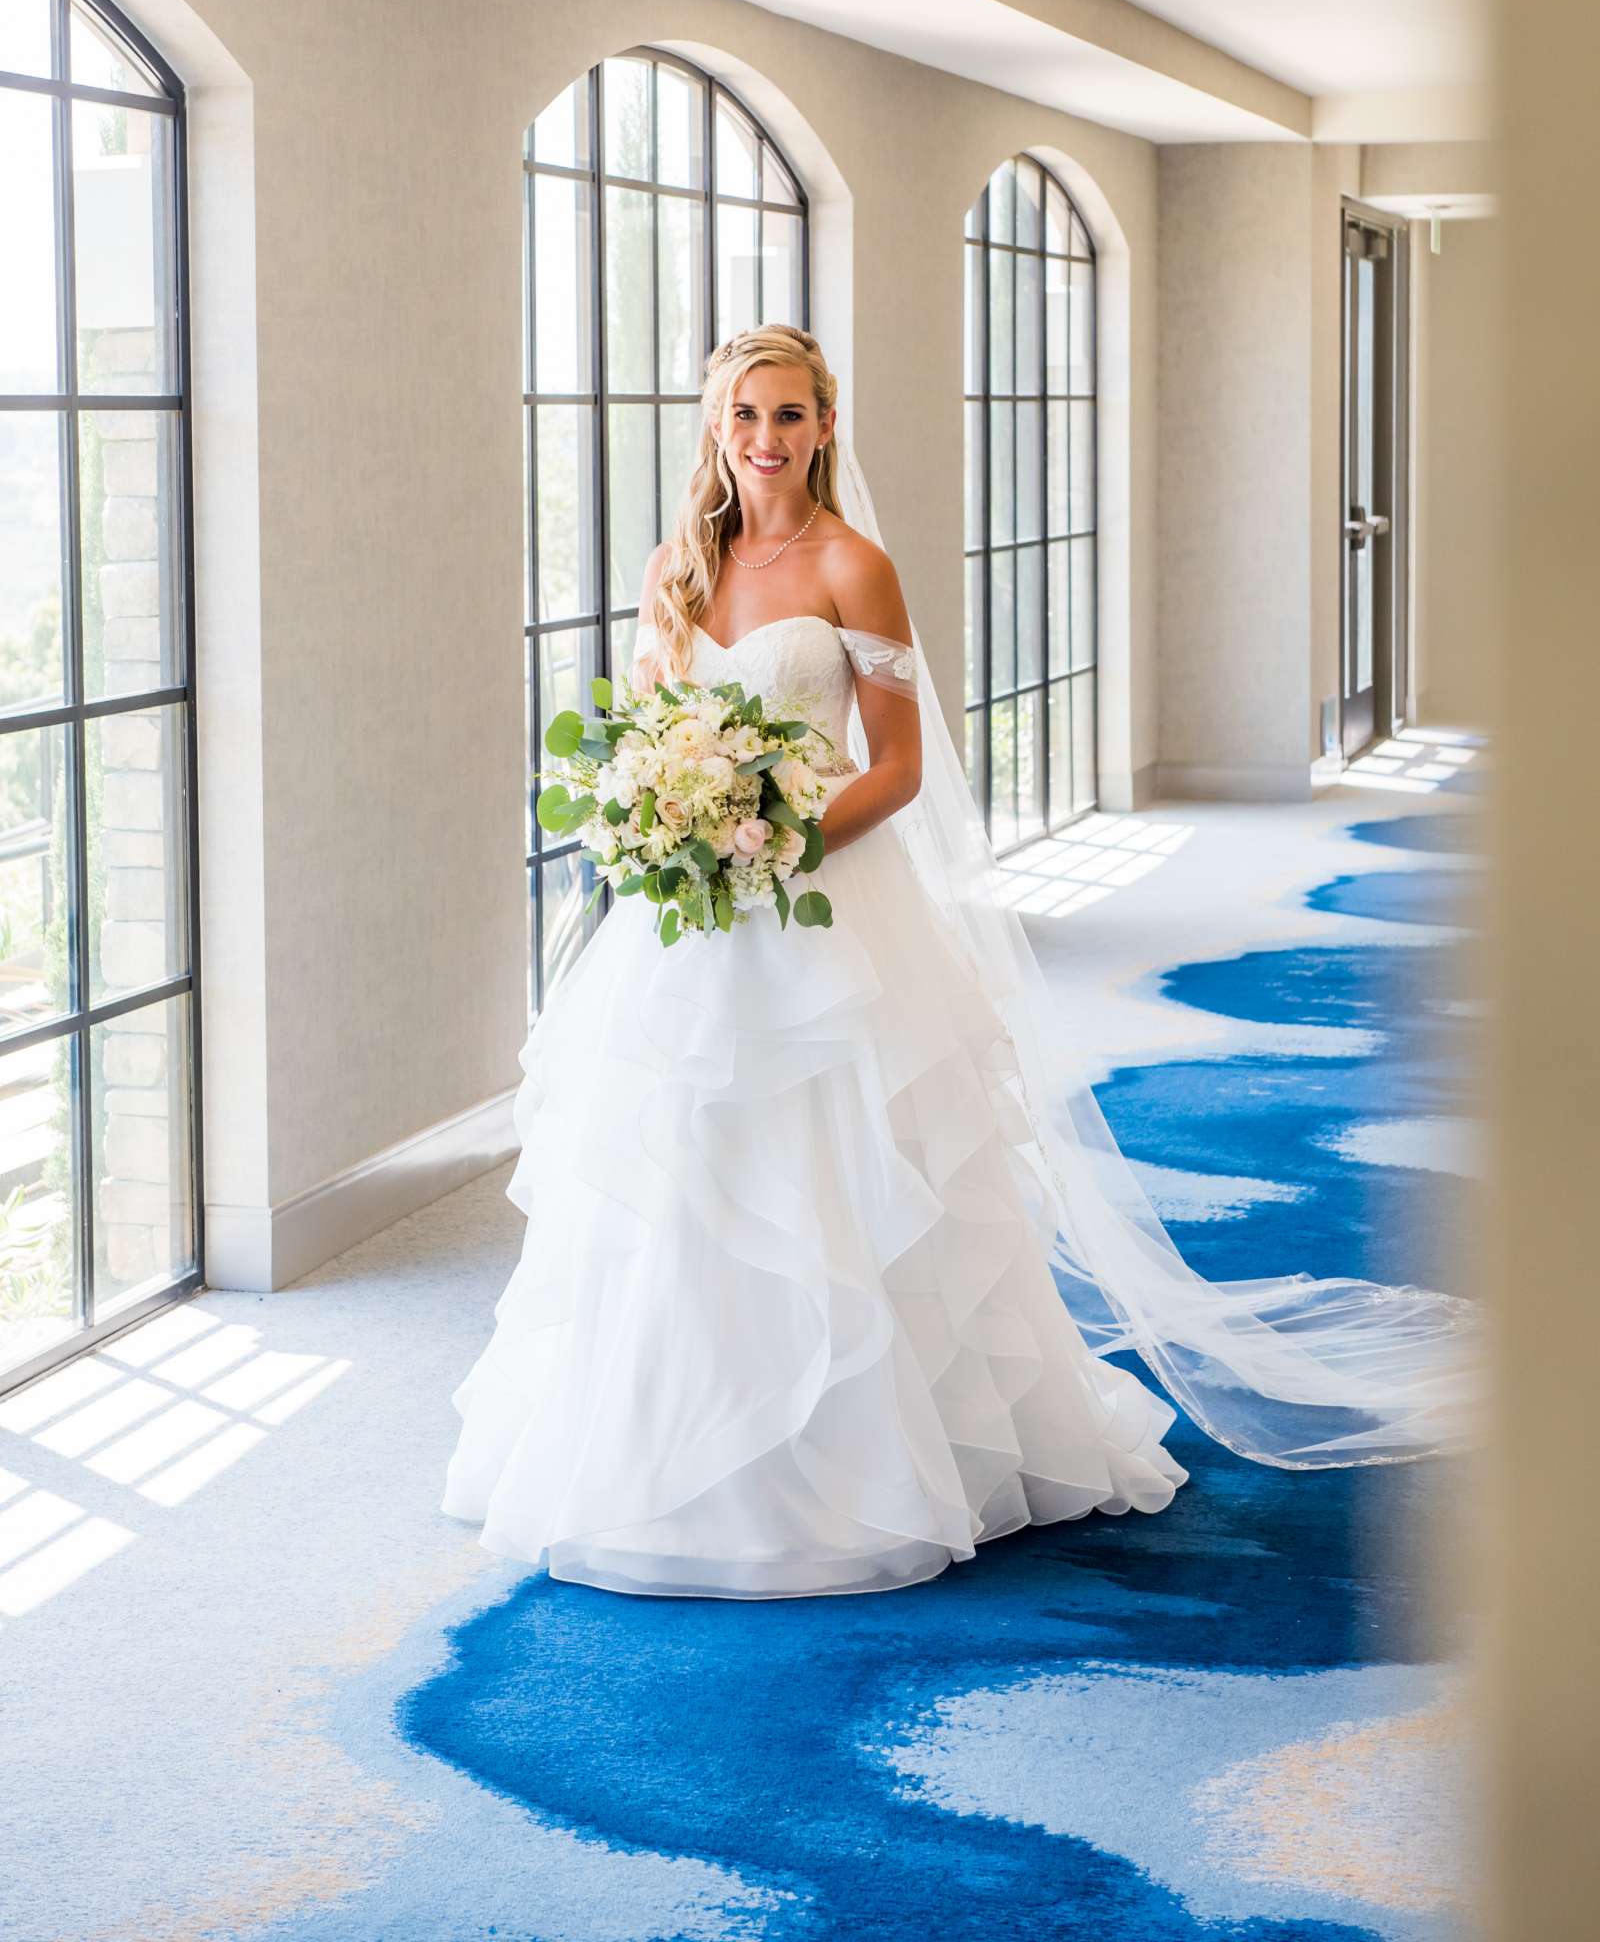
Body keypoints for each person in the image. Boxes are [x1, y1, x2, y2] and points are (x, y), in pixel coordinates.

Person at [441, 325, 1473, 1599]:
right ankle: (658, 1451)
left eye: (789, 416)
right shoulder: (676, 569)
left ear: (826, 426)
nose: (764, 440)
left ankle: (861, 1463)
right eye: (743, 416)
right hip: (689, 915)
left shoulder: (852, 566)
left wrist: (774, 841)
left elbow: (898, 767)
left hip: (819, 899)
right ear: (715, 426)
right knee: (683, 1167)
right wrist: (668, 818)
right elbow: (655, 731)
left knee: (842, 1165)